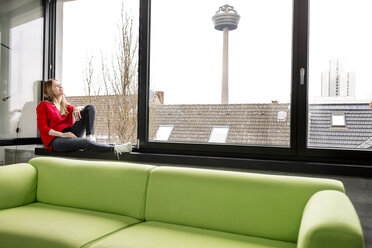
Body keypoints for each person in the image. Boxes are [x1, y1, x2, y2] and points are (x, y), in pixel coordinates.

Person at [36, 79, 131, 155]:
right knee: (84, 142)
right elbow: (42, 127)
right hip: (56, 140)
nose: (60, 86)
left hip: (70, 133)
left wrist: (75, 108)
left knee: (90, 108)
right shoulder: (44, 105)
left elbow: (78, 109)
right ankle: (116, 149)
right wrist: (63, 135)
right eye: (56, 85)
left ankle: (90, 136)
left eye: (60, 84)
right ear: (50, 90)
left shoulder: (65, 106)